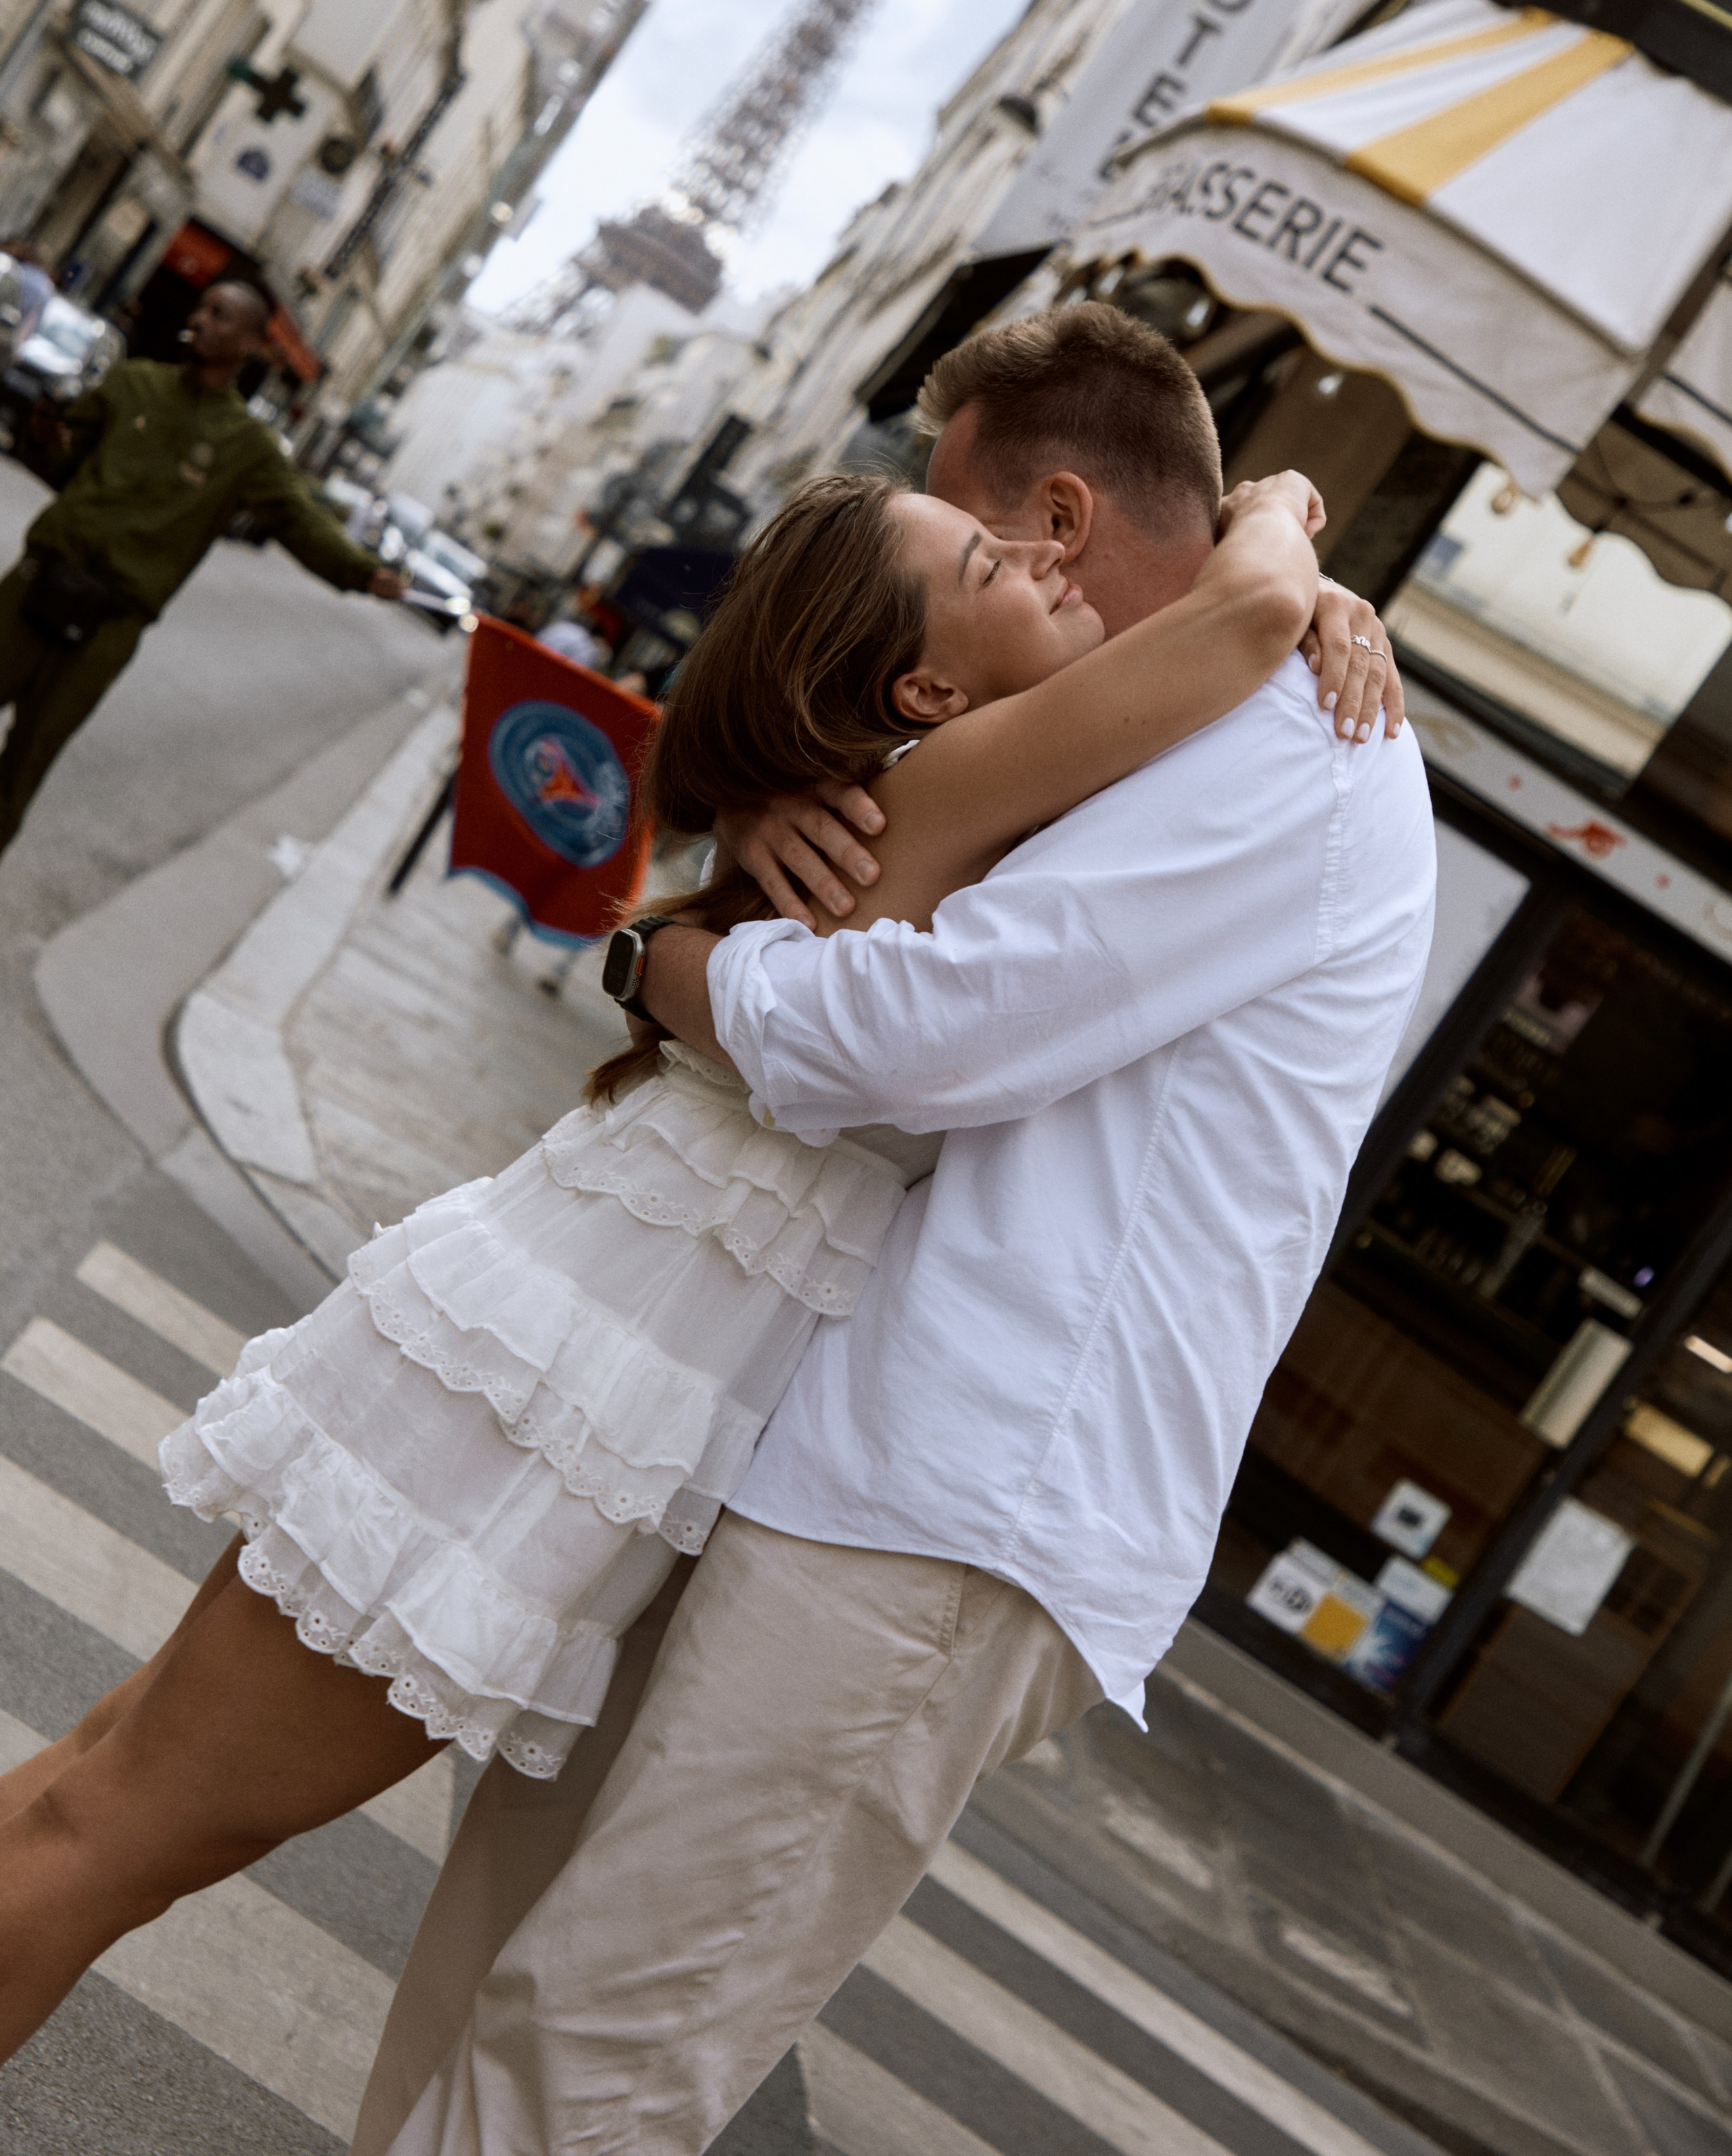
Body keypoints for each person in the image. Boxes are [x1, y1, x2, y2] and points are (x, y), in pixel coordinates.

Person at [0, 427, 1388, 2066]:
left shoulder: (912, 790)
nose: (1042, 563)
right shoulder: (955, 783)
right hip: (574, 1372)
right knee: (130, 1828)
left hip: (583, 1325)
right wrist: (1289, 512)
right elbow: (1235, 621)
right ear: (925, 693)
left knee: (113, 1792)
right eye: (984, 564)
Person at [354, 301, 1435, 2156]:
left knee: (593, 2048)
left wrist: (670, 954)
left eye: (970, 527)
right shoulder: (1149, 712)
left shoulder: (1283, 747)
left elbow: (905, 1036)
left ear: (1066, 522)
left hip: (953, 1504)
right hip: (820, 1444)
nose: (989, 572)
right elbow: (895, 855)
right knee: (501, 1953)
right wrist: (784, 815)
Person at [0, 279, 405, 858]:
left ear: (248, 345)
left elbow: (298, 520)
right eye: (203, 309)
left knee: (23, 767)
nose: (201, 319)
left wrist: (364, 573)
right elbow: (61, 460)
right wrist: (43, 437)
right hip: (38, 582)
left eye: (221, 315)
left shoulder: (248, 446)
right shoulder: (132, 382)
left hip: (107, 624)